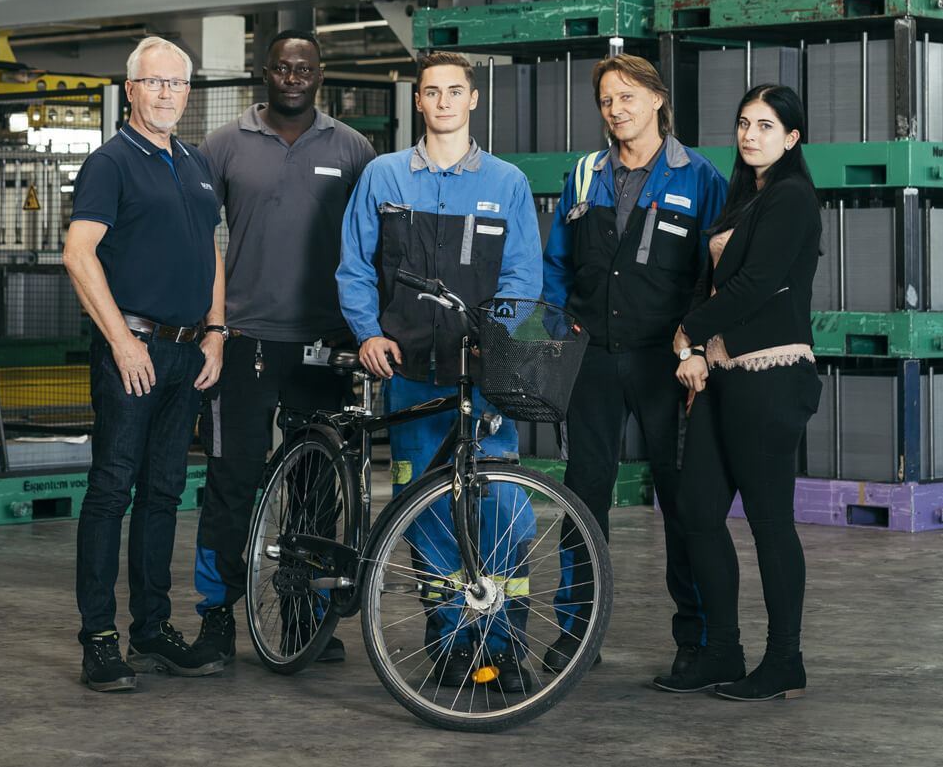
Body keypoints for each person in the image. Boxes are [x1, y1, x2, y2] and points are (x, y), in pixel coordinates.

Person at [337, 51, 542, 690]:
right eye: (433, 92)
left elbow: (522, 279)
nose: (445, 102)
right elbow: (354, 266)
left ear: (473, 100)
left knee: (505, 505)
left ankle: (504, 640)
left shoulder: (507, 182)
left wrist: (496, 345)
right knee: (422, 508)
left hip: (482, 376)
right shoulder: (383, 176)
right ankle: (451, 638)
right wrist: (369, 333)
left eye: (456, 91)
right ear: (418, 102)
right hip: (410, 372)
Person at [189, 30, 376, 665]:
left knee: (317, 487)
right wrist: (210, 322)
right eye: (281, 67)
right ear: (263, 73)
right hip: (244, 343)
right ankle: (215, 617)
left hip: (326, 345)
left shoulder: (352, 149)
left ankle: (305, 618)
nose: (292, 75)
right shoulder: (223, 145)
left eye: (304, 67)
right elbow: (193, 234)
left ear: (320, 74)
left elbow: (370, 244)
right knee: (232, 479)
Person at [541, 54, 727, 674]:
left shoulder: (698, 177)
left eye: (627, 97)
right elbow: (556, 264)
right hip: (593, 358)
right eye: (606, 101)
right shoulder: (586, 173)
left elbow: (715, 273)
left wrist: (695, 342)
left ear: (657, 99)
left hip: (664, 362)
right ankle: (577, 634)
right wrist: (559, 324)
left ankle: (695, 639)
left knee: (680, 498)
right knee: (583, 495)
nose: (616, 110)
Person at [64, 36, 227, 692]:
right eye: (153, 82)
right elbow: (80, 253)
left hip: (189, 351)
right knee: (111, 488)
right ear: (130, 89)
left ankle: (152, 629)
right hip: (132, 350)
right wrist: (122, 341)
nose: (165, 93)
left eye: (176, 84)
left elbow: (212, 251)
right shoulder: (110, 163)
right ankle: (99, 638)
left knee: (164, 492)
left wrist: (216, 332)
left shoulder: (194, 162)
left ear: (189, 92)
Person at [651, 84, 822, 700]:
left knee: (770, 521)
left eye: (767, 126)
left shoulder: (794, 198)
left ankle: (785, 662)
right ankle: (722, 652)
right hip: (722, 375)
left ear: (792, 137)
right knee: (697, 512)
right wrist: (694, 349)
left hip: (772, 378)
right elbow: (709, 280)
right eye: (745, 123)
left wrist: (684, 332)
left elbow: (755, 285)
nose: (751, 135)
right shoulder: (740, 199)